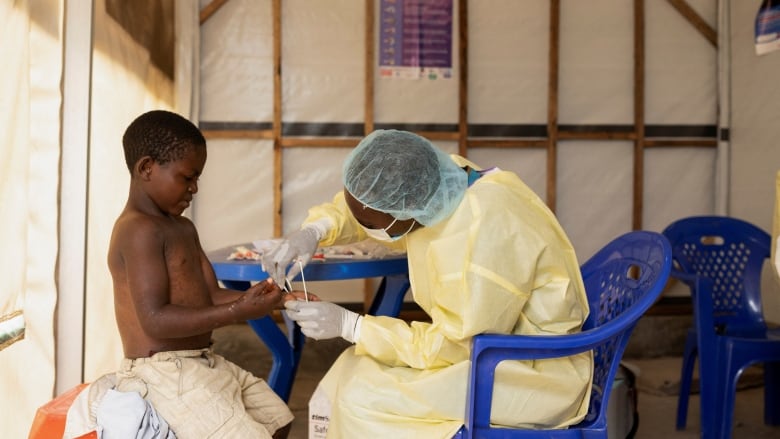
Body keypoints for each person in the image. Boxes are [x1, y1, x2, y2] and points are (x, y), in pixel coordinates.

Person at [263, 129, 593, 437]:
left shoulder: (480, 239)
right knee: (352, 367)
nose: (363, 227)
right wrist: (317, 230)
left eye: (369, 224)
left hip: (530, 372)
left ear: (408, 211)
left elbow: (456, 344)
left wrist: (352, 325)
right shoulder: (444, 183)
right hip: (489, 350)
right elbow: (364, 207)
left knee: (361, 400)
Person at [65, 110, 308, 439]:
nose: (194, 188)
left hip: (201, 362)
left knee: (278, 419)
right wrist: (238, 311)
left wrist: (276, 299)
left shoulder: (182, 227)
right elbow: (154, 319)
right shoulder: (137, 230)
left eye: (197, 179)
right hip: (163, 373)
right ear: (147, 168)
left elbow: (210, 295)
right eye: (187, 177)